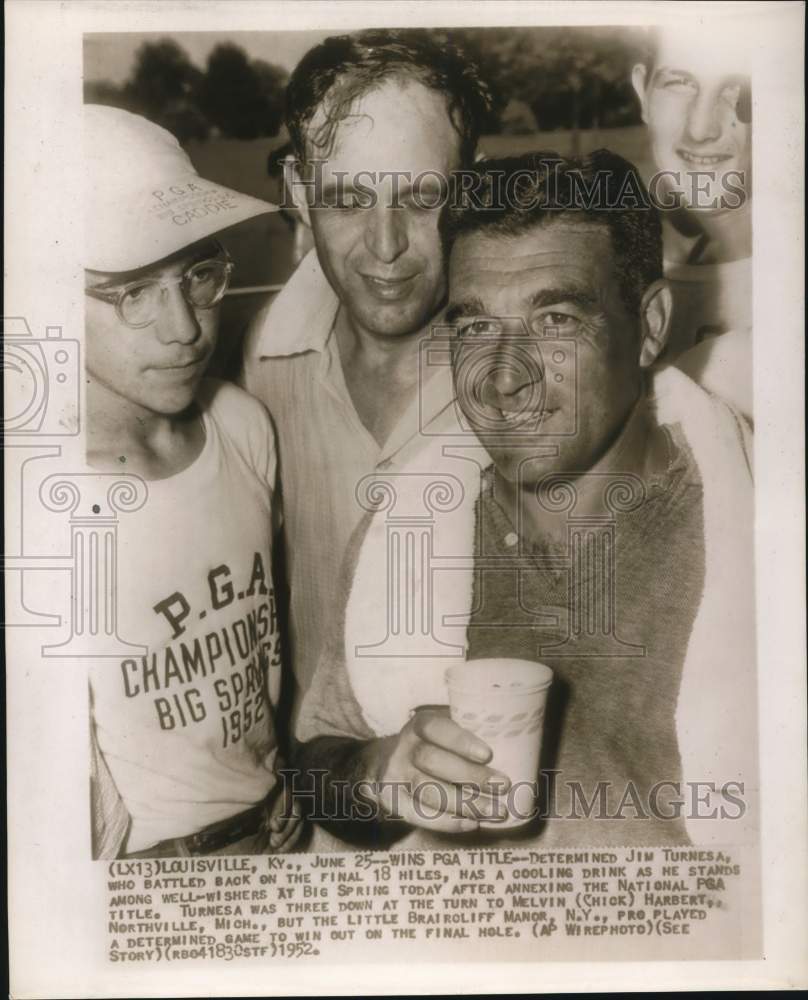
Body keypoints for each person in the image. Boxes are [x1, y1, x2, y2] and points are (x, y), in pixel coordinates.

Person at [291, 151, 757, 849]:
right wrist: (376, 772)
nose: (503, 378)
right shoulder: (409, 525)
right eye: (475, 326)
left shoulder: (766, 529)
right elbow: (315, 762)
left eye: (557, 320)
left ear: (651, 325)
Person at [240, 29, 497, 707]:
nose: (386, 247)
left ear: (474, 186)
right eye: (350, 199)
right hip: (315, 798)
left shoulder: (534, 375)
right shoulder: (263, 357)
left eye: (420, 198)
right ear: (298, 189)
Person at [84, 105, 302, 858]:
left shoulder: (242, 423)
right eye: (132, 293)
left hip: (273, 833)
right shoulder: (39, 494)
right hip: (148, 876)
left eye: (198, 274)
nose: (183, 327)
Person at [631, 24, 753, 421]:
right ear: (642, 92)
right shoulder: (592, 267)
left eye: (737, 89)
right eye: (680, 82)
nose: (701, 129)